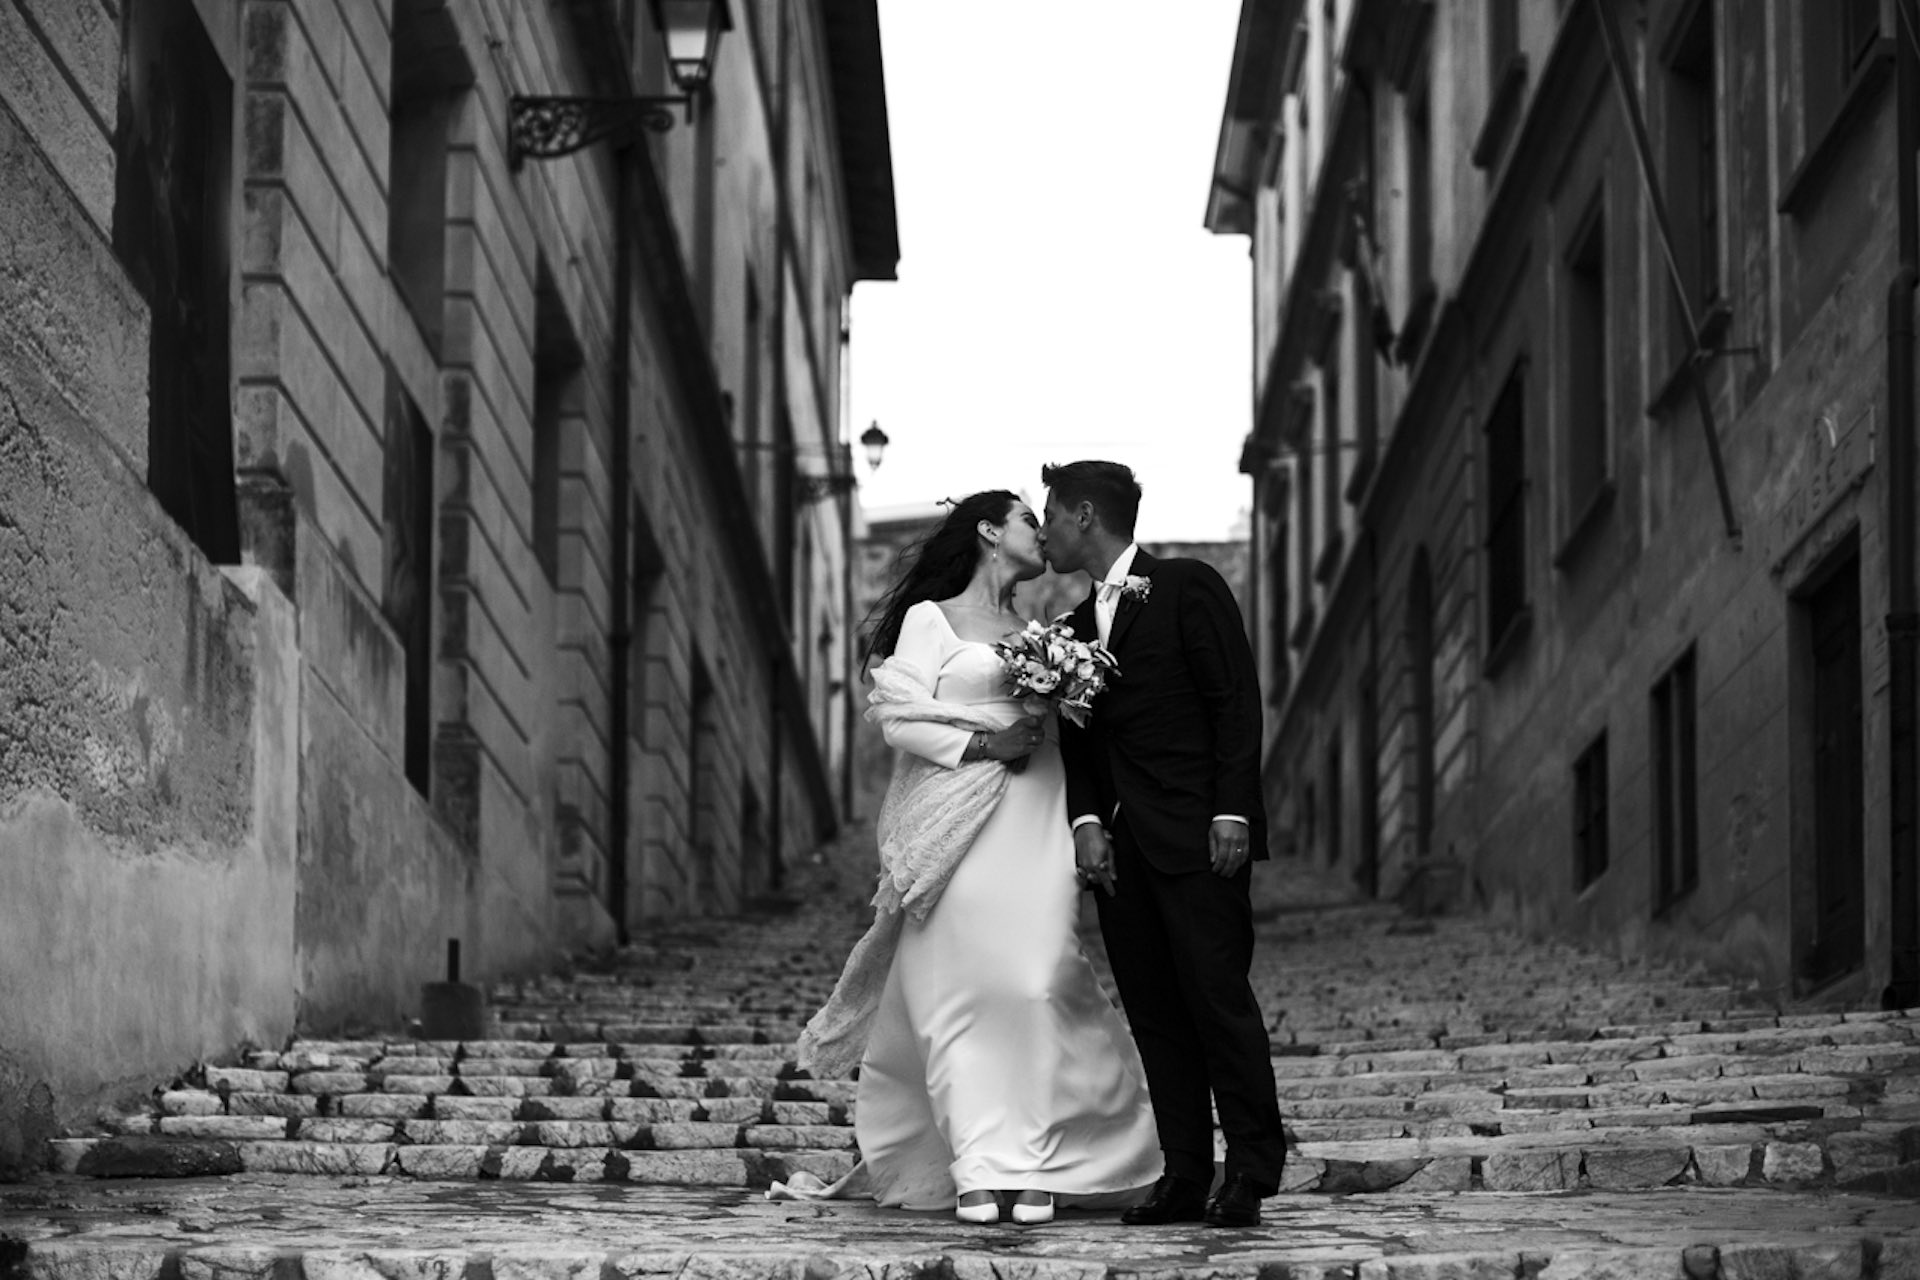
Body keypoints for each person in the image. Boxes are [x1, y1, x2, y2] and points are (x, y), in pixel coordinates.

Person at [789, 489, 1161, 1225]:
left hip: (1037, 813)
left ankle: (1038, 1159)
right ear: (992, 532)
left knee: (1037, 979)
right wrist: (987, 743)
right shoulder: (931, 620)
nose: (1041, 531)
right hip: (963, 819)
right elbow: (897, 716)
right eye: (1029, 518)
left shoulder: (1041, 630)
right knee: (963, 987)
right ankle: (984, 1165)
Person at [1040, 460, 1288, 1229]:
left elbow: (1233, 702)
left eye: (1049, 514)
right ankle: (1183, 1172)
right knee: (1154, 1014)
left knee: (1218, 1002)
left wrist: (1234, 813)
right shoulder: (1073, 633)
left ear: (1085, 515)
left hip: (1198, 840)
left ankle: (1249, 1170)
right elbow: (1078, 749)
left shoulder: (1187, 586)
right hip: (1123, 859)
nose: (1043, 530)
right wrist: (1086, 827)